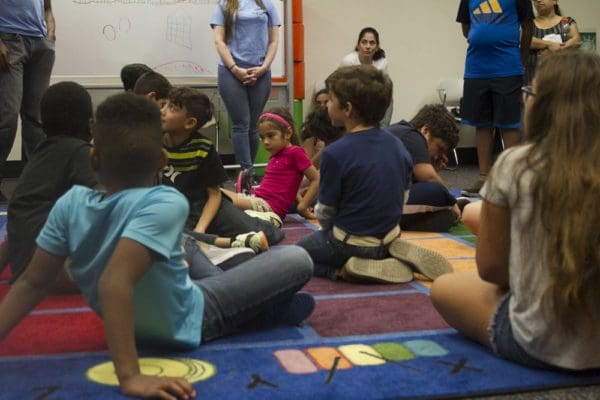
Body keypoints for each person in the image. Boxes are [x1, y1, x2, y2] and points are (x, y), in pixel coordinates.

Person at [0, 92, 315, 399]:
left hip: (127, 325)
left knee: (183, 243)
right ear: (162, 160)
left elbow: (30, 280)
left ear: (94, 158)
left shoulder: (69, 204)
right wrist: (130, 376)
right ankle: (258, 307)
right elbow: (115, 280)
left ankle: (258, 302)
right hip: (188, 322)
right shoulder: (166, 201)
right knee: (298, 258)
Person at [431, 51, 600, 371]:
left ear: (544, 105)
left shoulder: (516, 164)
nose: (524, 101)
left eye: (529, 93)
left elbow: (492, 271)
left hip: (539, 342)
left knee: (444, 288)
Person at [297, 65, 452, 284]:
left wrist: (331, 234)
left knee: (296, 256)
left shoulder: (334, 153)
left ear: (347, 109)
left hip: (349, 243)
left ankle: (343, 270)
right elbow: (403, 197)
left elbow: (325, 212)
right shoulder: (398, 146)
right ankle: (390, 252)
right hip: (388, 235)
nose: (327, 105)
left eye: (330, 99)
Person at [161, 87, 284, 250]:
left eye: (172, 108)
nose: (162, 111)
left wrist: (201, 228)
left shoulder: (203, 148)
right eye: (164, 105)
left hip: (207, 206)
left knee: (271, 235)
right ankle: (231, 240)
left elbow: (214, 194)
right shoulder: (153, 141)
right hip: (177, 210)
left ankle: (257, 218)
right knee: (170, 236)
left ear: (189, 123)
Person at [1, 82, 99, 286]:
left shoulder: (39, 155)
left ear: (42, 124)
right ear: (91, 124)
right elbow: (104, 202)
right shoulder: (80, 152)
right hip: (55, 268)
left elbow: (20, 221)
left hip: (24, 265)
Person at [457, 0, 534, 195]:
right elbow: (466, 27)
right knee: (482, 124)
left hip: (507, 67)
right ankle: (484, 178)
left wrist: (521, 59)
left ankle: (513, 179)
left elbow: (528, 26)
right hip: (476, 68)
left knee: (509, 125)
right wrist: (481, 37)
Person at [210, 0, 281, 184]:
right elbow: (219, 40)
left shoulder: (267, 4)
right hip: (231, 72)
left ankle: (249, 175)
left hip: (261, 71)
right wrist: (235, 69)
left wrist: (264, 67)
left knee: (252, 126)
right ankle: (247, 174)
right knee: (241, 124)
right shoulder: (224, 4)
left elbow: (274, 40)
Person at [222, 107, 320, 225]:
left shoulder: (295, 152)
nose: (266, 142)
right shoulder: (275, 156)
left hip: (268, 207)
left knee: (220, 198)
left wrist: (302, 207)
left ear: (288, 133)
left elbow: (316, 179)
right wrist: (299, 201)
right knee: (217, 195)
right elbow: (291, 187)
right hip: (258, 200)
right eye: (262, 138)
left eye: (271, 136)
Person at [0, 0, 56, 202]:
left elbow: (47, 7)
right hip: (9, 40)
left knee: (36, 120)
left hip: (40, 44)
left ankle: (37, 185)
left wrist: (50, 35)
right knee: (6, 118)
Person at [387, 104, 463, 232]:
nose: (438, 156)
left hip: (369, 201)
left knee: (440, 204)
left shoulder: (399, 132)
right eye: (439, 149)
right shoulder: (412, 136)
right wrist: (452, 202)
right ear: (425, 131)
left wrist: (431, 167)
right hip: (372, 203)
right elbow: (428, 177)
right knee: (436, 191)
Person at [339, 27, 392, 127]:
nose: (368, 46)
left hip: (371, 99)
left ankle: (383, 128)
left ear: (377, 47)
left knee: (388, 94)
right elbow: (339, 89)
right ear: (358, 45)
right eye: (364, 42)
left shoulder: (382, 63)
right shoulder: (348, 61)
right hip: (350, 99)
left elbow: (384, 90)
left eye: (372, 43)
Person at [525, 0, 581, 84]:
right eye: (535, 0)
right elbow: (526, 40)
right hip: (533, 79)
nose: (538, 1)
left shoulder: (566, 21)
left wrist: (562, 48)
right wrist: (550, 44)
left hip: (562, 79)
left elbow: (576, 41)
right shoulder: (528, 23)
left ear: (554, 1)